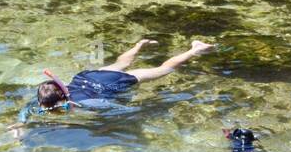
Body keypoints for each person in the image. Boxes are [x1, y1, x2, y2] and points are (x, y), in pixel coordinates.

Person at [21, 39, 215, 118]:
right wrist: (20, 123)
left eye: (61, 108)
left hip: (110, 83)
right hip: (87, 77)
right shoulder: (50, 97)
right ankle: (139, 45)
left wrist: (132, 111)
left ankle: (195, 49)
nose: (51, 111)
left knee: (164, 69)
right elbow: (26, 111)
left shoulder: (87, 103)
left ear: (64, 100)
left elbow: (113, 107)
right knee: (119, 64)